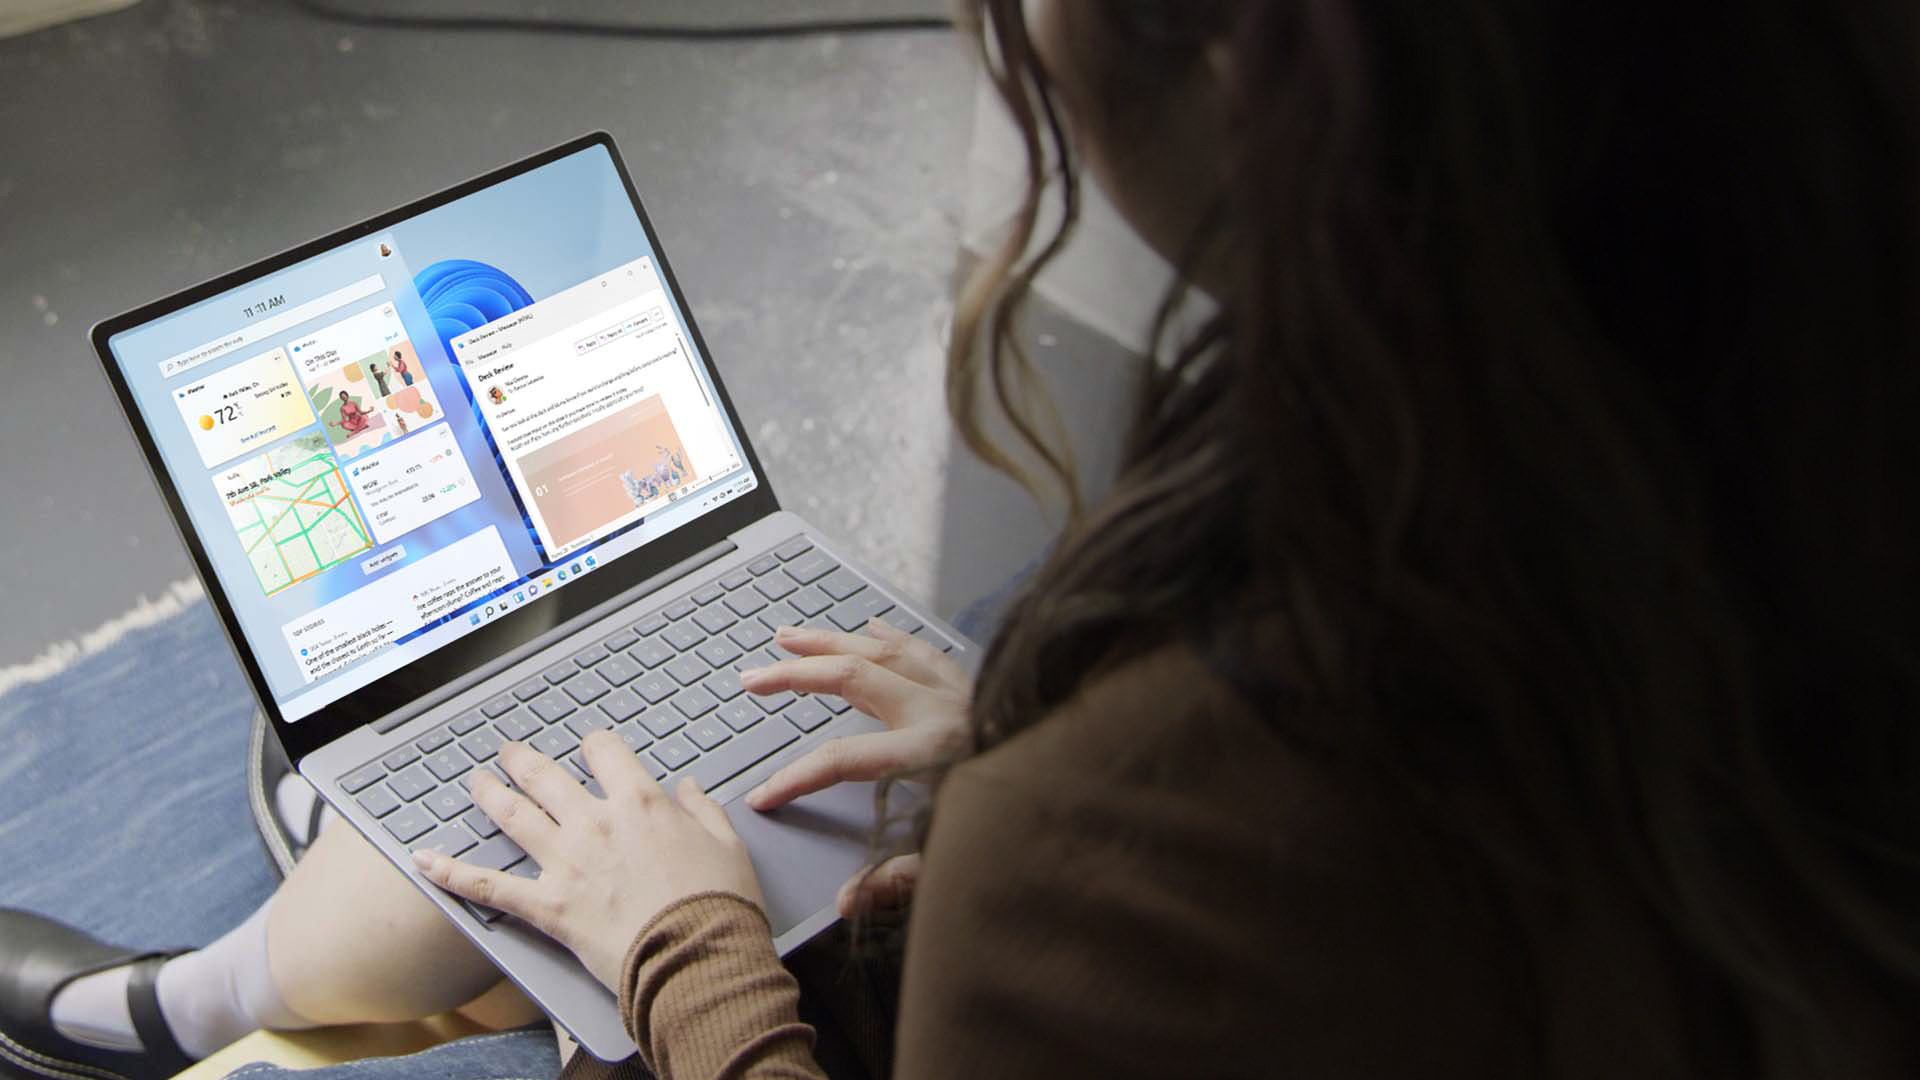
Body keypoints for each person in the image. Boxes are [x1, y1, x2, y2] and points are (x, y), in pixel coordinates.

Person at [4, 1, 1918, 1078]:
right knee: (533, 848)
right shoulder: (1755, 493)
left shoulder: (1139, 850)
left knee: (460, 893)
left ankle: (178, 1003)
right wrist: (1002, 733)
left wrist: (690, 951)